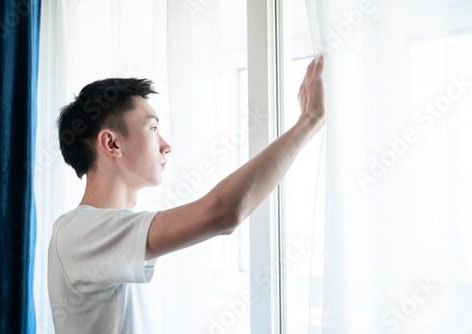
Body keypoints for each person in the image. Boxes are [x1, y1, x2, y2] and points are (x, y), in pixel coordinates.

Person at [48, 55, 325, 333]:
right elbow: (222, 212)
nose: (166, 146)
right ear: (112, 142)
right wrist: (309, 120)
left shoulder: (102, 233)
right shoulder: (77, 232)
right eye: (153, 128)